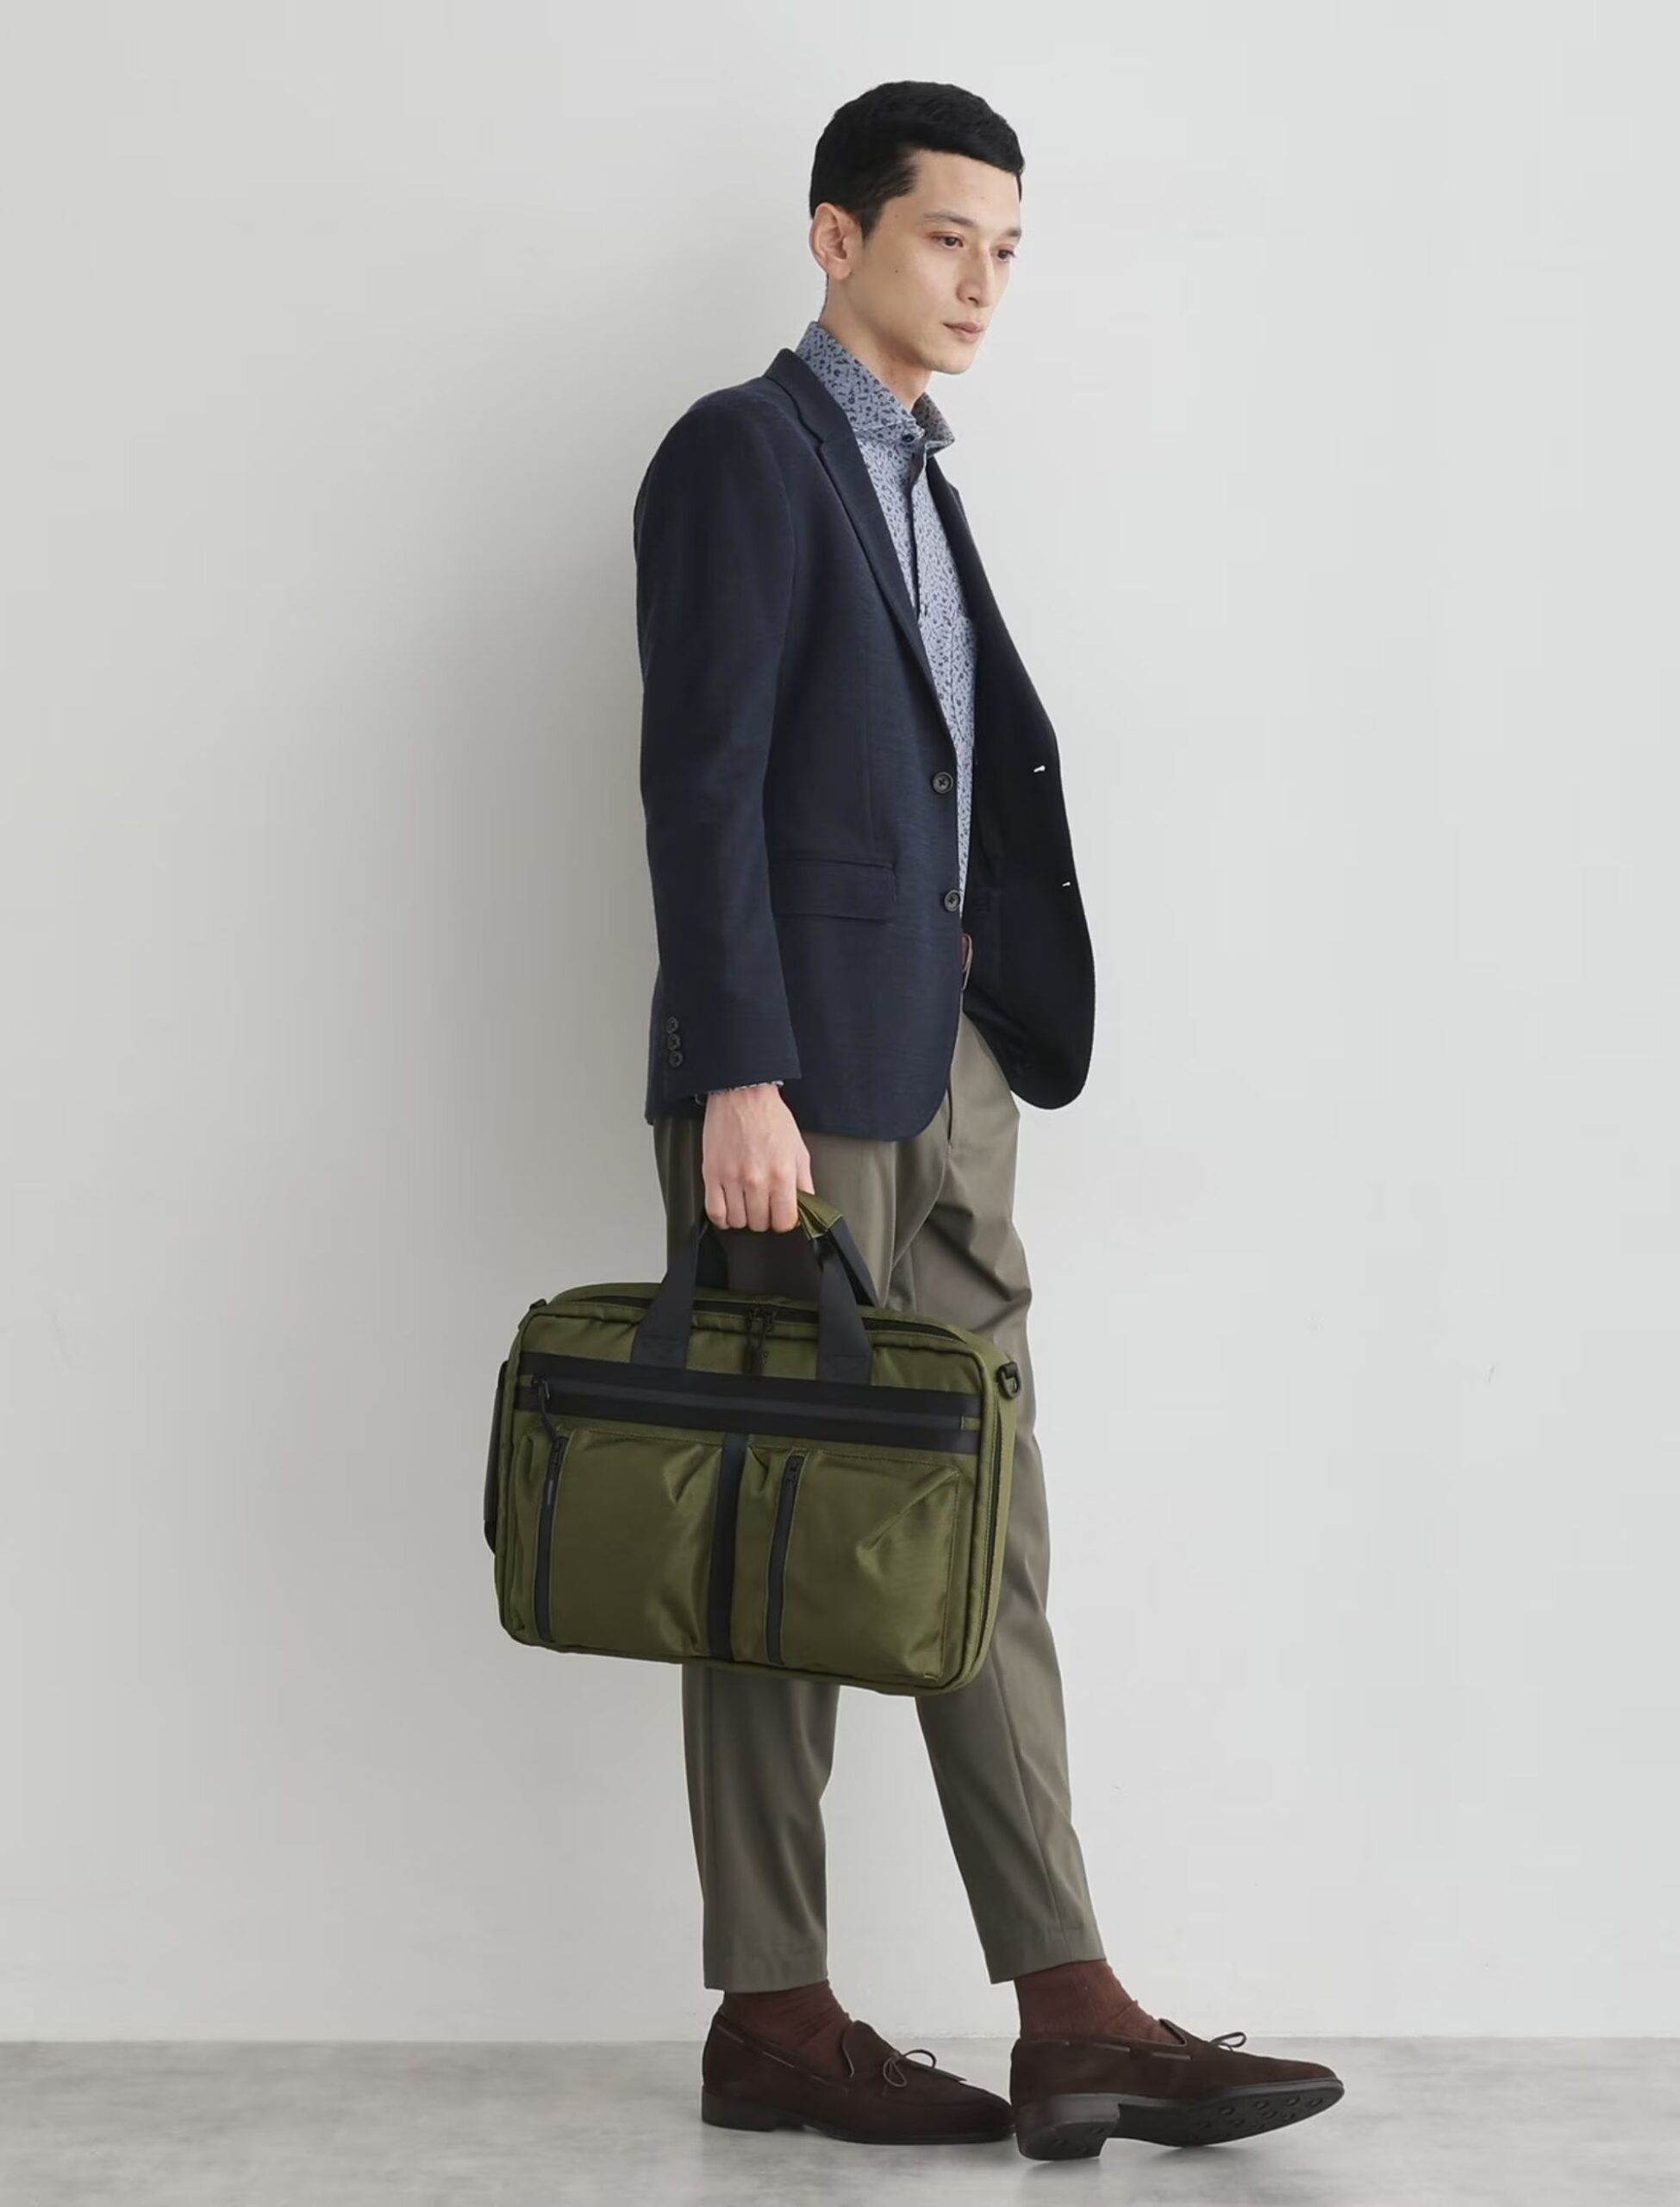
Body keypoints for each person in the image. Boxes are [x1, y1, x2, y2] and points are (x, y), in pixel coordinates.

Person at [632, 78, 1345, 2160]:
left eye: (1008, 249)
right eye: (948, 237)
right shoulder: (745, 452)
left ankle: (1073, 2004)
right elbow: (701, 779)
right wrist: (737, 1070)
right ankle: (775, 2009)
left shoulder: (925, 483)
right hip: (794, 1087)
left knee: (982, 1522)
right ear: (838, 236)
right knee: (777, 1529)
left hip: (947, 1067)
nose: (982, 282)